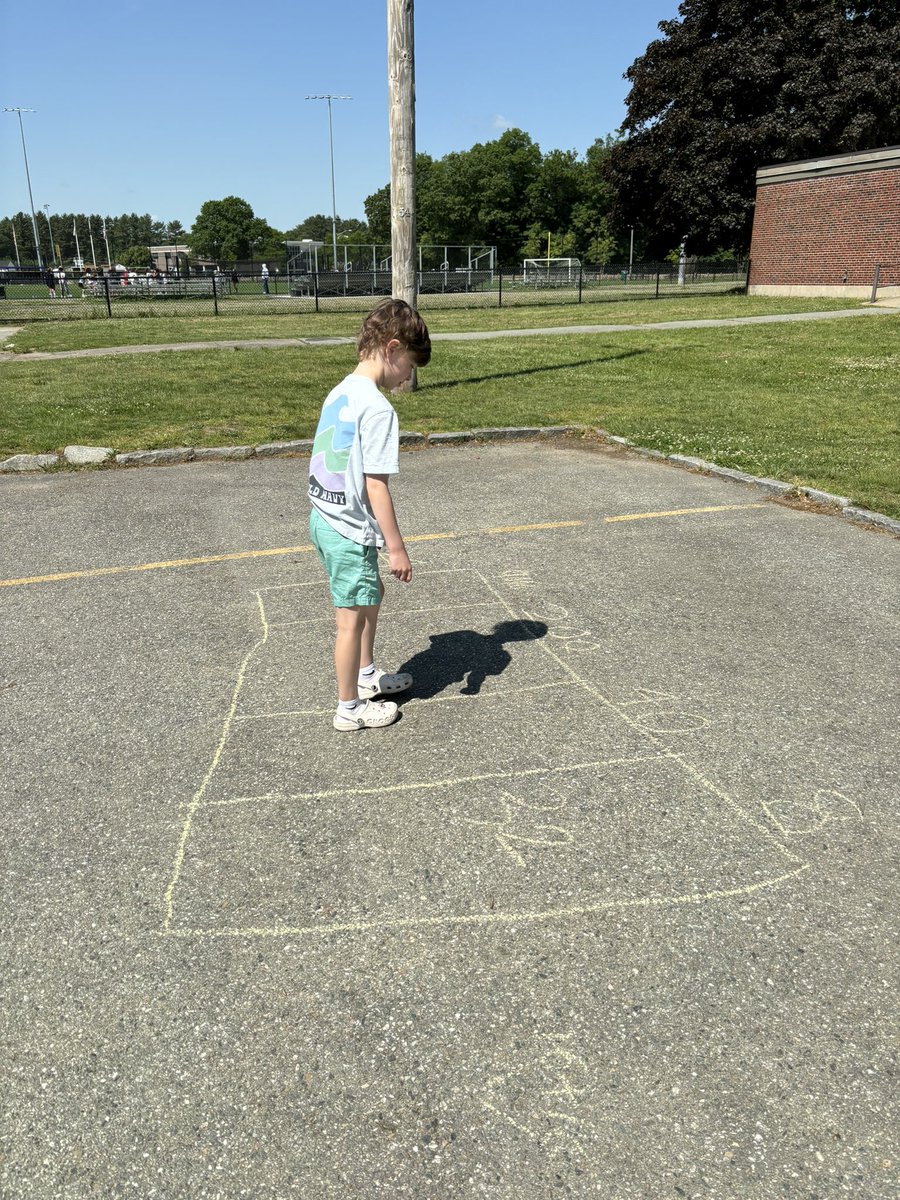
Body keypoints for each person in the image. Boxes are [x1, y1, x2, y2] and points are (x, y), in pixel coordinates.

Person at [308, 297, 431, 731]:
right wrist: (396, 547)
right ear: (393, 348)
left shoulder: (342, 389)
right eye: (409, 367)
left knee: (369, 592)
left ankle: (365, 677)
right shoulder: (378, 408)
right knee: (350, 619)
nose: (407, 377)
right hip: (348, 528)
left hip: (323, 517)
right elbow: (376, 485)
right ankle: (349, 709)